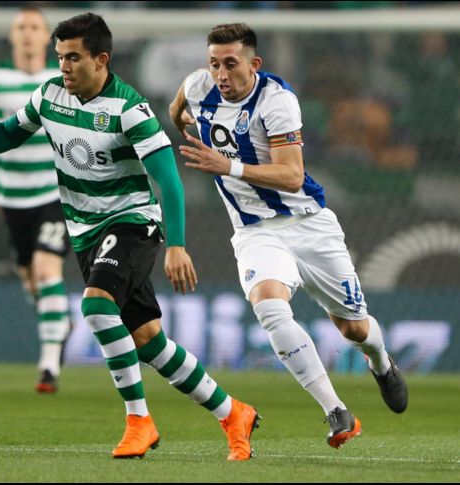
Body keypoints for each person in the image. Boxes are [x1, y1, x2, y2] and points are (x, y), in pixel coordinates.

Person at [0, 12, 259, 461]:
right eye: (60, 57)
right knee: (149, 340)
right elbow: (14, 129)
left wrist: (175, 245)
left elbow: (168, 179)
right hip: (86, 230)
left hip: (132, 224)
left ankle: (139, 422)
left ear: (102, 59)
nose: (64, 67)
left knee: (95, 306)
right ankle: (233, 413)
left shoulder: (129, 110)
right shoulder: (51, 94)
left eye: (73, 58)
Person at [170, 23, 408, 449]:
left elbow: (292, 175)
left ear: (253, 64)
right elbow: (178, 108)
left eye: (230, 64)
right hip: (254, 232)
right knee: (269, 306)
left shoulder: (276, 102)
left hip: (308, 225)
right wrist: (185, 122)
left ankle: (382, 362)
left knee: (353, 329)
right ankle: (336, 411)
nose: (220, 74)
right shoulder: (198, 85)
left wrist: (229, 167)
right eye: (214, 64)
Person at [0, 6, 71, 393]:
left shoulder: (60, 79)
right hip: (11, 199)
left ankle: (49, 364)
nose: (27, 33)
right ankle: (60, 324)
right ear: (11, 37)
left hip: (56, 194)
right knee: (31, 281)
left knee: (45, 268)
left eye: (34, 27)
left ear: (47, 38)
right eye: (20, 27)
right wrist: (12, 127)